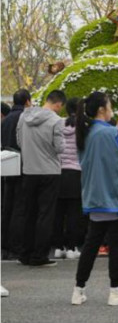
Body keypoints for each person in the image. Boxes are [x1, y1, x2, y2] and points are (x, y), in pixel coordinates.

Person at [72, 91, 118, 306]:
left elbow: (110, 148)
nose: (112, 108)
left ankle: (78, 290)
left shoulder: (87, 132)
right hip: (115, 198)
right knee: (117, 248)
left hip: (95, 198)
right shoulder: (110, 133)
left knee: (91, 246)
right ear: (102, 109)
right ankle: (115, 291)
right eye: (110, 105)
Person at [17, 89, 66, 266]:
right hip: (49, 171)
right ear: (58, 104)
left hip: (29, 169)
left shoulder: (24, 117)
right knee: (45, 214)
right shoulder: (56, 121)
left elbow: (19, 140)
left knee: (29, 213)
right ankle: (39, 256)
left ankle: (25, 253)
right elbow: (60, 148)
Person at [1, 89, 32, 260]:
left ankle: (4, 243)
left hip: (6, 166)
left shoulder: (4, 121)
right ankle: (17, 244)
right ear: (27, 101)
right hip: (22, 166)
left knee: (7, 206)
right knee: (20, 207)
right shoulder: (25, 118)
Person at [53, 98, 84, 260]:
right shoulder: (82, 126)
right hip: (75, 173)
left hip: (58, 172)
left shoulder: (58, 124)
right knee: (73, 214)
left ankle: (58, 247)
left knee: (58, 213)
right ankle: (72, 247)